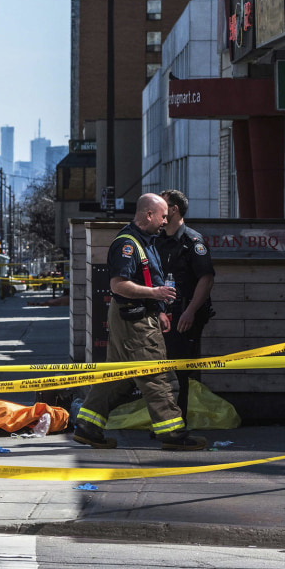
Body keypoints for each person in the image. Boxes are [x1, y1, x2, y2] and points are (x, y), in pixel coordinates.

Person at [72, 193, 207, 451]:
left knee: (118, 378)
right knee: (159, 377)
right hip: (136, 321)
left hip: (135, 317)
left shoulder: (145, 241)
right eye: (163, 216)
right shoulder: (128, 244)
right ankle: (173, 434)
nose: (165, 221)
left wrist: (159, 311)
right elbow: (119, 285)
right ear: (148, 214)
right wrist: (155, 295)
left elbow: (146, 278)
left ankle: (88, 427)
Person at [158, 188, 215, 416]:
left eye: (163, 206)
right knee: (161, 371)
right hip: (163, 314)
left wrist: (190, 312)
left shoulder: (192, 241)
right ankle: (165, 421)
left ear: (174, 209)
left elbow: (206, 278)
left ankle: (177, 424)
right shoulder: (159, 239)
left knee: (179, 372)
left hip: (184, 315)